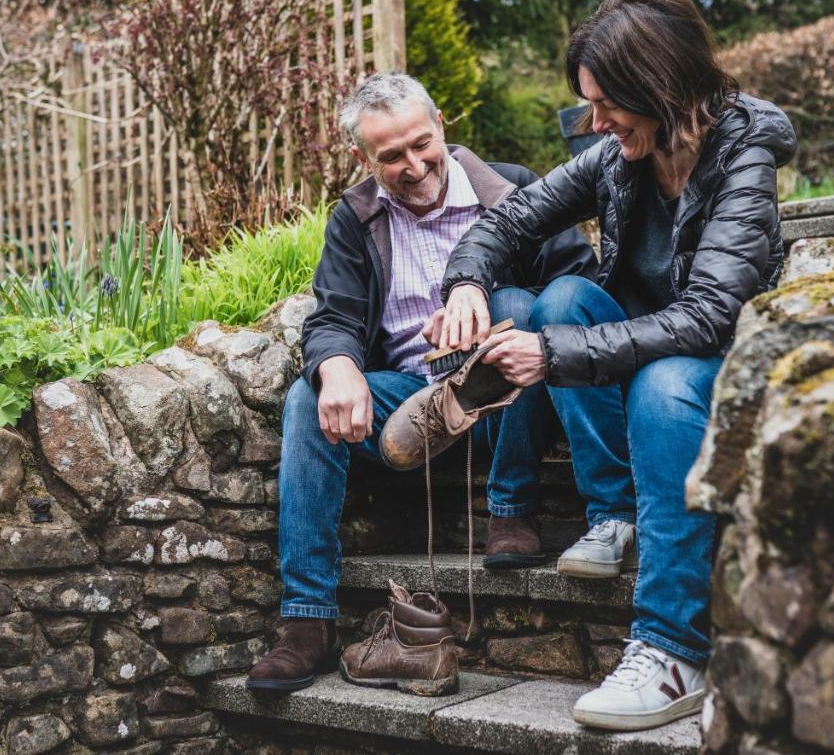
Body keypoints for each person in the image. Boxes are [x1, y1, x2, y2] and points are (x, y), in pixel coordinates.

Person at [434, 0, 796, 730]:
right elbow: (508, 222)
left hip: (710, 359)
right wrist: (468, 282)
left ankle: (670, 651)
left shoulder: (744, 152)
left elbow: (708, 317)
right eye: (589, 105)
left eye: (606, 105)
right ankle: (617, 513)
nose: (592, 124)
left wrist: (554, 355)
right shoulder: (616, 156)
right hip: (632, 346)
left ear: (658, 85)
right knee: (563, 296)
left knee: (660, 386)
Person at [246, 73, 597, 693]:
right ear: (362, 158)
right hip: (411, 404)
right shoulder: (354, 217)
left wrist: (491, 312)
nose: (413, 166)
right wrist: (338, 368)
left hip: (511, 409)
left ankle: (510, 510)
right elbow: (333, 316)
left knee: (519, 299)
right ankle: (309, 621)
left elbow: (578, 288)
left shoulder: (514, 188)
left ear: (442, 125)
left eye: (421, 144)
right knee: (308, 397)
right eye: (390, 156)